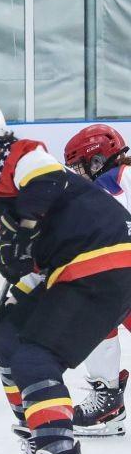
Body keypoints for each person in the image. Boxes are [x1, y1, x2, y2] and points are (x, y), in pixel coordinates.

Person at [0, 99, 131, 454]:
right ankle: (40, 441)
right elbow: (30, 266)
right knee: (7, 335)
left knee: (33, 357)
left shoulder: (15, 154)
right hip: (77, 266)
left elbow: (47, 178)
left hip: (102, 261)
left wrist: (19, 230)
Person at [63, 123, 131, 436]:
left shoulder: (109, 181)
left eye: (80, 166)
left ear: (97, 160)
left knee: (91, 310)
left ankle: (108, 402)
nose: (79, 174)